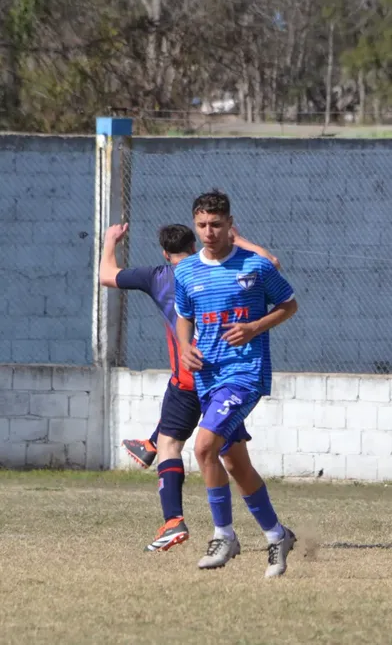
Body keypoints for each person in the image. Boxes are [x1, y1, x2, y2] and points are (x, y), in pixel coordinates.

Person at [100, 222, 278, 552]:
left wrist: (110, 240)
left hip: (189, 376)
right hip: (226, 379)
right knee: (236, 461)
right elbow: (270, 263)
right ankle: (275, 532)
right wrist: (236, 238)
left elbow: (107, 275)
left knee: (172, 445)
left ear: (165, 253)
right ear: (195, 242)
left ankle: (175, 519)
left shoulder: (159, 276)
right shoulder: (217, 269)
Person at [174, 190, 298, 577]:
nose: (209, 232)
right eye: (202, 225)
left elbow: (289, 304)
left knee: (204, 446)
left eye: (216, 224)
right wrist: (183, 347)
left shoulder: (256, 267)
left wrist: (254, 327)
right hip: (208, 378)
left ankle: (224, 534)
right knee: (234, 463)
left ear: (230, 225)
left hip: (245, 374)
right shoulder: (186, 272)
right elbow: (183, 316)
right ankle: (278, 535)